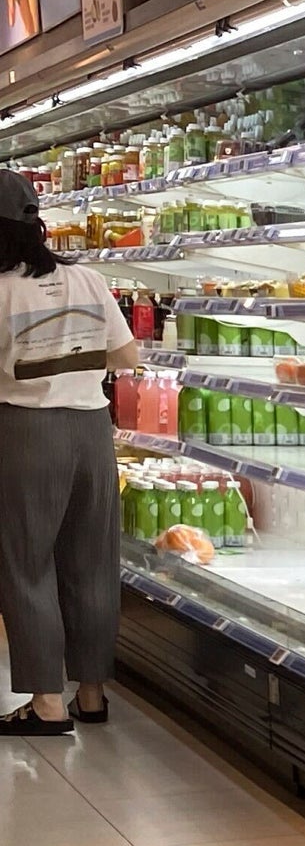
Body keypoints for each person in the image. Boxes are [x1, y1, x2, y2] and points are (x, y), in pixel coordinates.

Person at [0, 168, 137, 736]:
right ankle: (92, 693)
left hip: (26, 431)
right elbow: (125, 359)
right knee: (93, 563)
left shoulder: (1, 288)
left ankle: (46, 704)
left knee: (26, 565)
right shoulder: (89, 279)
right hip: (90, 431)